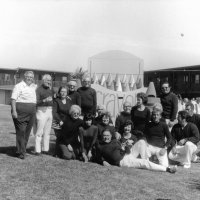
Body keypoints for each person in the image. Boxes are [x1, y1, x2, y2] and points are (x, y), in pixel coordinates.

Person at [96, 129, 177, 173]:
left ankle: (146, 160)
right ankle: (167, 169)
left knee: (141, 141)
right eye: (104, 136)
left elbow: (126, 150)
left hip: (127, 154)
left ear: (111, 136)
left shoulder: (115, 141)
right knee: (145, 163)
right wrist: (102, 162)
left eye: (108, 135)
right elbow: (96, 157)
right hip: (123, 161)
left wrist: (125, 147)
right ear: (102, 137)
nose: (106, 137)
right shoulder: (100, 146)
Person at [11, 71, 37, 159]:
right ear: (24, 77)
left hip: (32, 112)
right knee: (21, 132)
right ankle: (22, 152)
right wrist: (14, 111)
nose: (30, 78)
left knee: (27, 133)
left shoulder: (34, 86)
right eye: (28, 77)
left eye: (31, 77)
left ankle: (20, 150)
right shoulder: (18, 86)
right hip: (20, 112)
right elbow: (13, 99)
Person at [35, 74, 54, 155]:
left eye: (50, 80)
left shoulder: (50, 90)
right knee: (39, 132)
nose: (48, 82)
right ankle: (37, 150)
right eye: (47, 80)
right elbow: (36, 102)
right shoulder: (38, 90)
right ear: (43, 80)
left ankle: (45, 149)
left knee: (47, 131)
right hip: (41, 111)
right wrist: (44, 100)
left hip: (49, 110)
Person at [53, 86, 72, 157]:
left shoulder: (69, 101)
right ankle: (56, 153)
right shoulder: (56, 101)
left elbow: (71, 111)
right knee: (59, 137)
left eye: (65, 91)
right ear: (59, 92)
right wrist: (59, 121)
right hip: (58, 122)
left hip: (67, 122)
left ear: (67, 93)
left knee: (65, 137)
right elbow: (54, 112)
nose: (63, 93)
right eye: (62, 91)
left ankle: (63, 152)